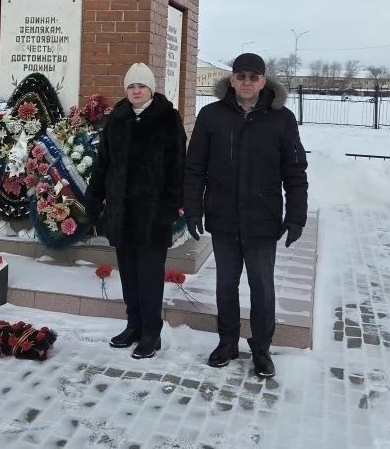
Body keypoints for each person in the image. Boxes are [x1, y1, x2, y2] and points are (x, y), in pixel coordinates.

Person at [183, 52, 308, 378]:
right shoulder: (211, 116)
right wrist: (193, 207)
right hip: (224, 218)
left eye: (254, 77)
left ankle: (261, 349)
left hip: (262, 221)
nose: (247, 82)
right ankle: (226, 343)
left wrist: (296, 216)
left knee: (262, 289)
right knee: (225, 286)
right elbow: (195, 167)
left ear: (264, 81)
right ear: (232, 79)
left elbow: (295, 171)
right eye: (241, 76)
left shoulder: (282, 118)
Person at [84, 62, 186, 359]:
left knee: (150, 275)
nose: (136, 91)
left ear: (151, 89)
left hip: (154, 215)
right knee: (128, 273)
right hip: (122, 212)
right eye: (131, 86)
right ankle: (134, 325)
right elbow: (103, 163)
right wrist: (96, 197)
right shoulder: (117, 118)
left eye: (141, 86)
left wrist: (172, 205)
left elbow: (179, 164)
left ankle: (151, 333)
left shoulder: (168, 119)